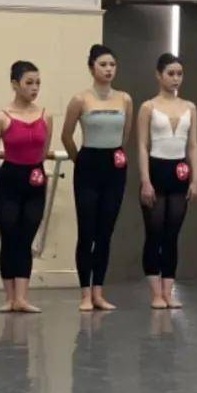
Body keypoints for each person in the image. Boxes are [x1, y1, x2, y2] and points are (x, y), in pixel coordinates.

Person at [61, 44, 133, 311]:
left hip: (114, 165)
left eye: (112, 64)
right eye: (103, 64)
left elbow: (125, 134)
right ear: (91, 68)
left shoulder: (124, 99)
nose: (108, 69)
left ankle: (99, 292)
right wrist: (79, 160)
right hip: (88, 164)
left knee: (105, 232)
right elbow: (66, 135)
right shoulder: (80, 99)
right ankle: (84, 293)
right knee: (87, 231)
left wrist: (116, 155)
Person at [0, 60, 52, 313]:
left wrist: (37, 172)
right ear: (15, 84)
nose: (35, 88)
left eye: (38, 83)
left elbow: (43, 151)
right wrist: (0, 181)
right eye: (29, 83)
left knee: (25, 238)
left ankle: (22, 297)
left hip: (35, 180)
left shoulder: (46, 115)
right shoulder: (1, 117)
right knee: (9, 236)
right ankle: (10, 297)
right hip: (8, 181)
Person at [136, 53, 197, 309]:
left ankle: (168, 291)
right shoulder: (148, 107)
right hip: (156, 169)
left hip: (179, 172)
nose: (175, 79)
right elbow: (142, 145)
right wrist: (145, 180)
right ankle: (155, 293)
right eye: (171, 73)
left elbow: (193, 145)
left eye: (179, 74)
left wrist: (195, 179)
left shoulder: (190, 107)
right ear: (159, 75)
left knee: (172, 234)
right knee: (155, 232)